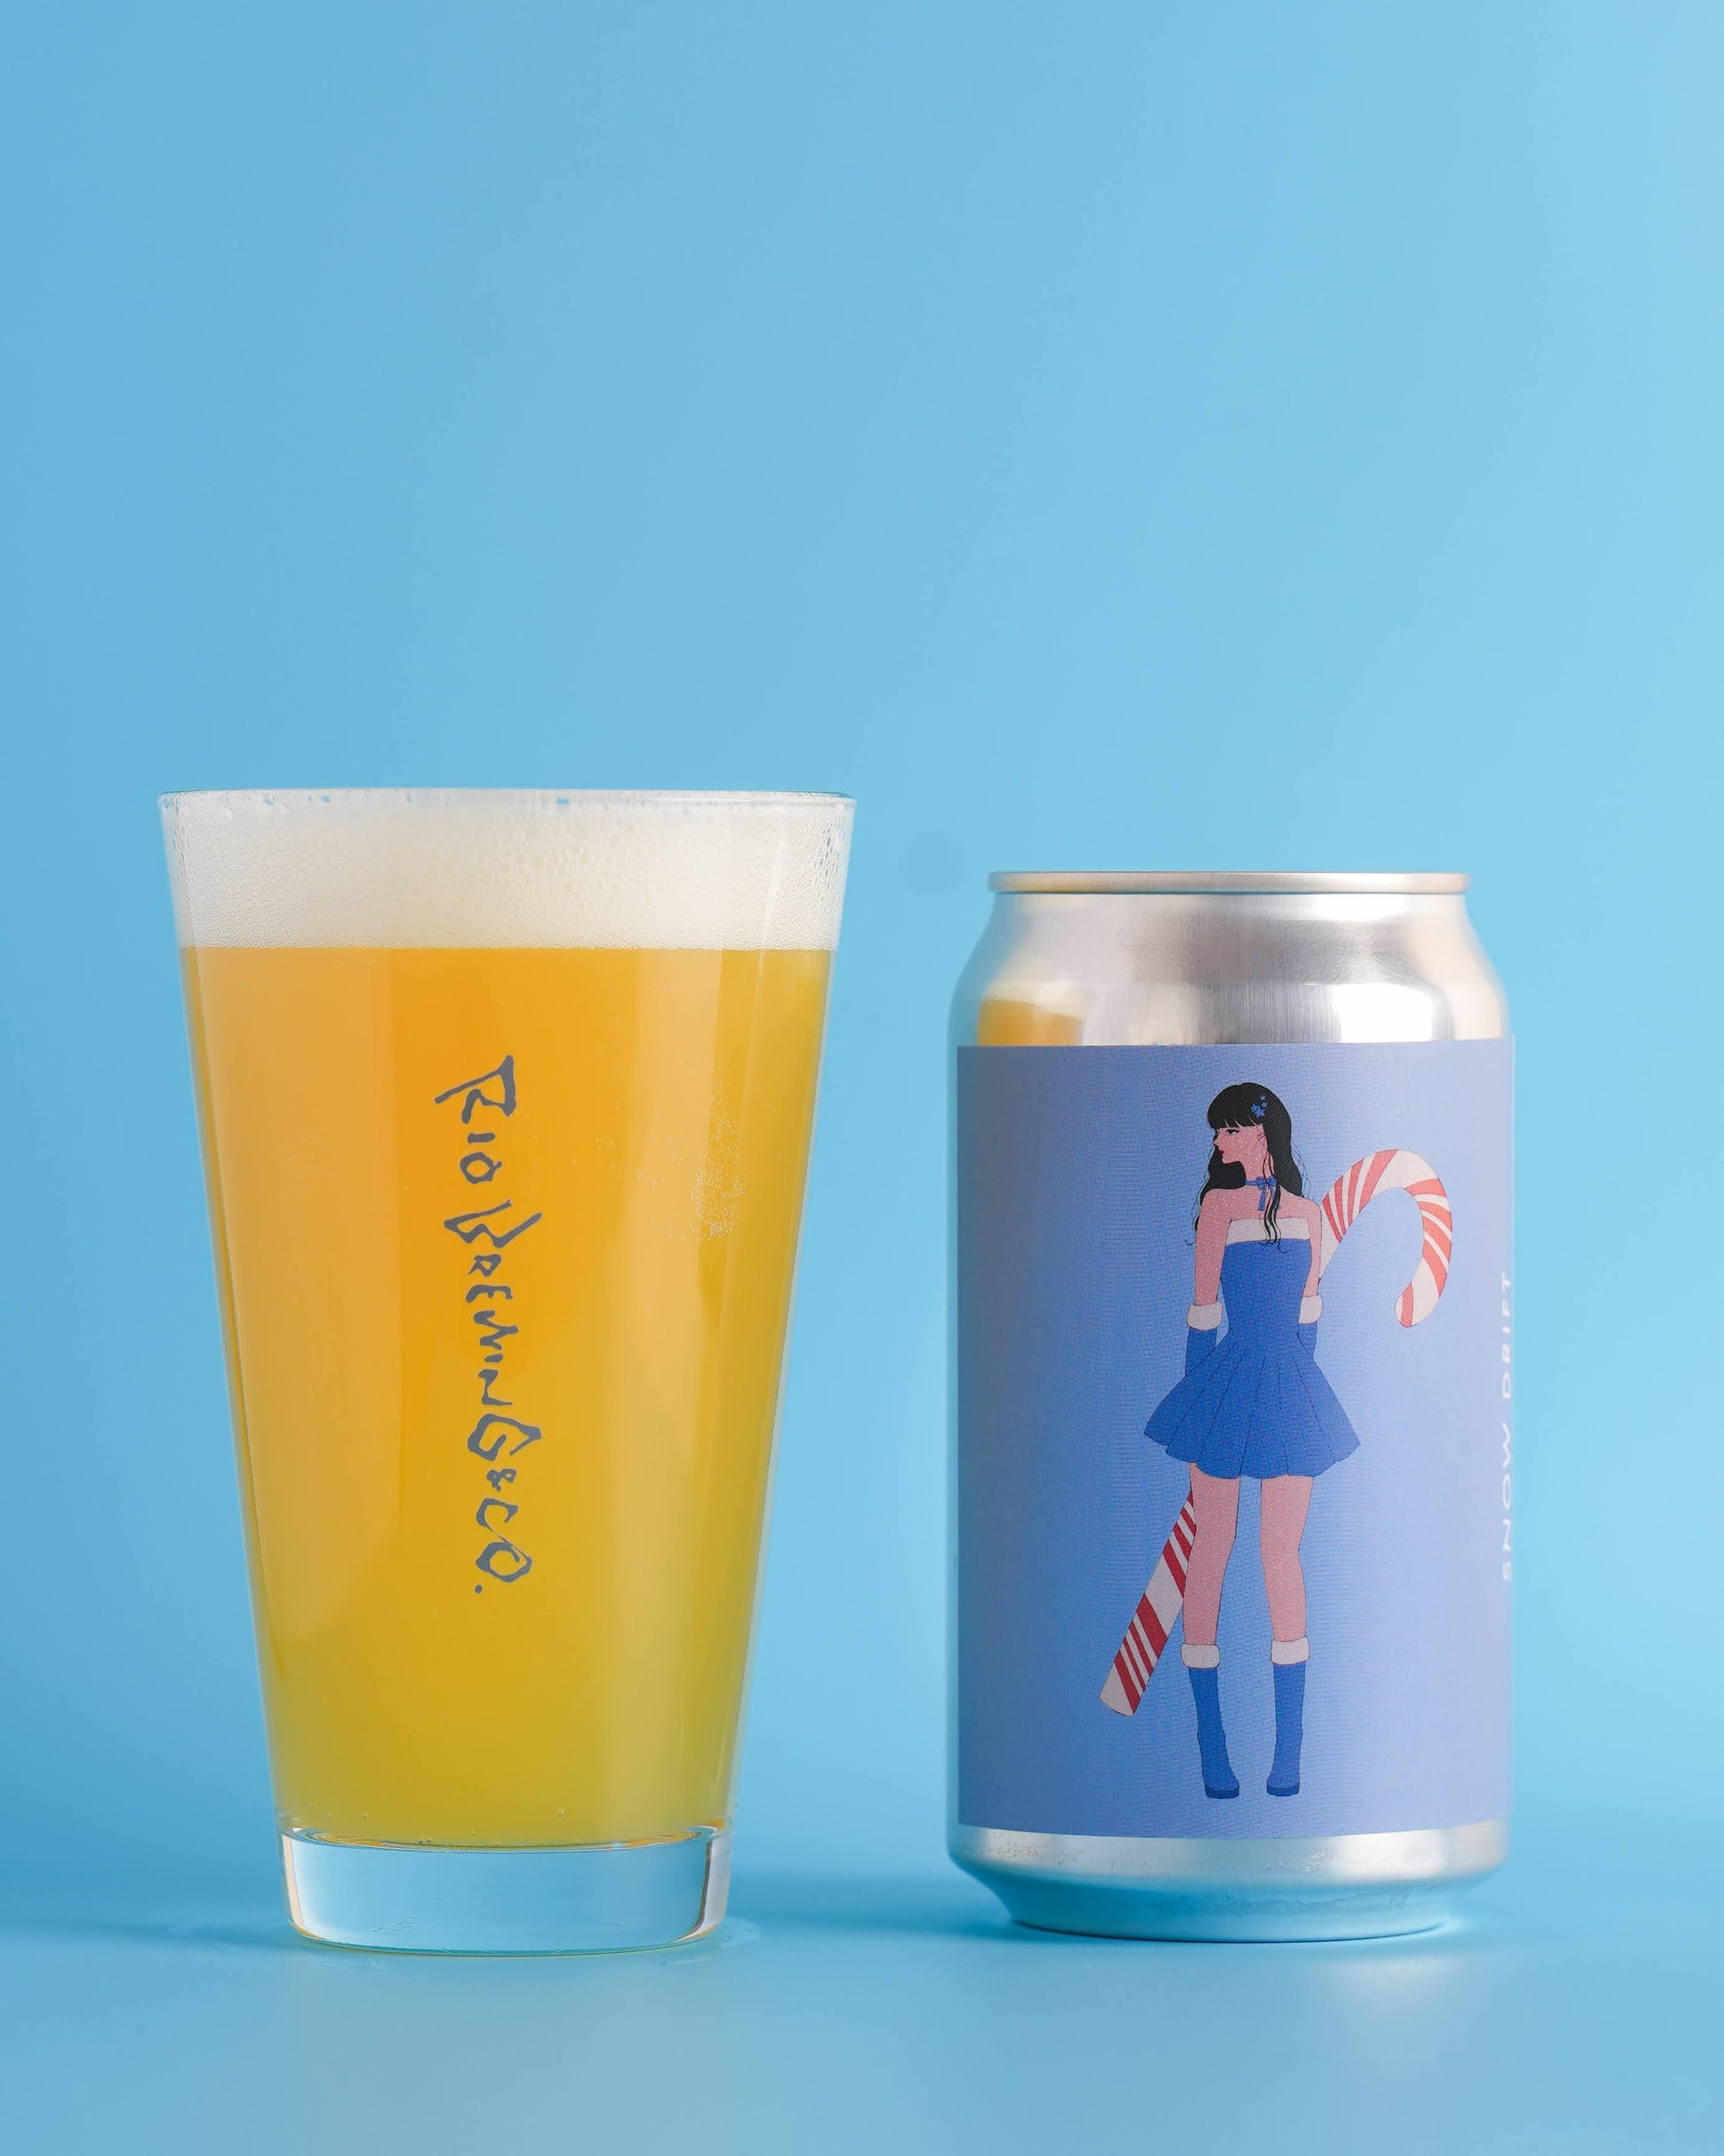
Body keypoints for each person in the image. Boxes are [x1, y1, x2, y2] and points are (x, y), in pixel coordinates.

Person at [1144, 1083, 1358, 1799]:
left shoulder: (1306, 1214)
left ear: (1256, 1132)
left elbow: (1300, 1318)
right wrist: (1197, 1413)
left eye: (1226, 1131)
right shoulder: (1220, 1208)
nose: (1216, 1143)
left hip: (1282, 1386)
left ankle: (1288, 1754)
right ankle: (1213, 1747)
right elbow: (1207, 1312)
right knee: (1215, 1548)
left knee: (1276, 1555)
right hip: (1240, 1385)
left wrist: (1283, 1394)